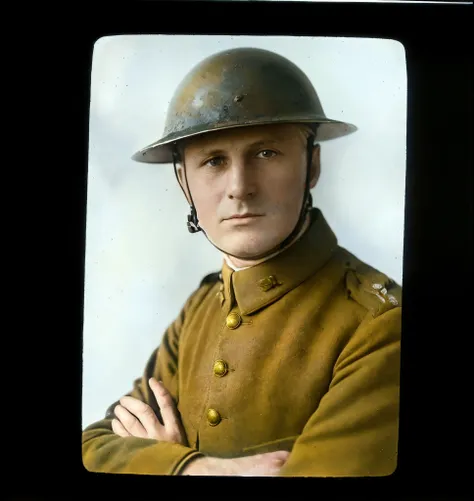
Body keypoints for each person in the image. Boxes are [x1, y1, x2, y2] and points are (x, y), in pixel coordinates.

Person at [82, 47, 402, 477]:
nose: (240, 188)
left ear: (312, 165)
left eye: (266, 153)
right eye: (213, 161)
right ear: (184, 182)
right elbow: (92, 448)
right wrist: (196, 469)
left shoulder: (378, 325)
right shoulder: (198, 312)